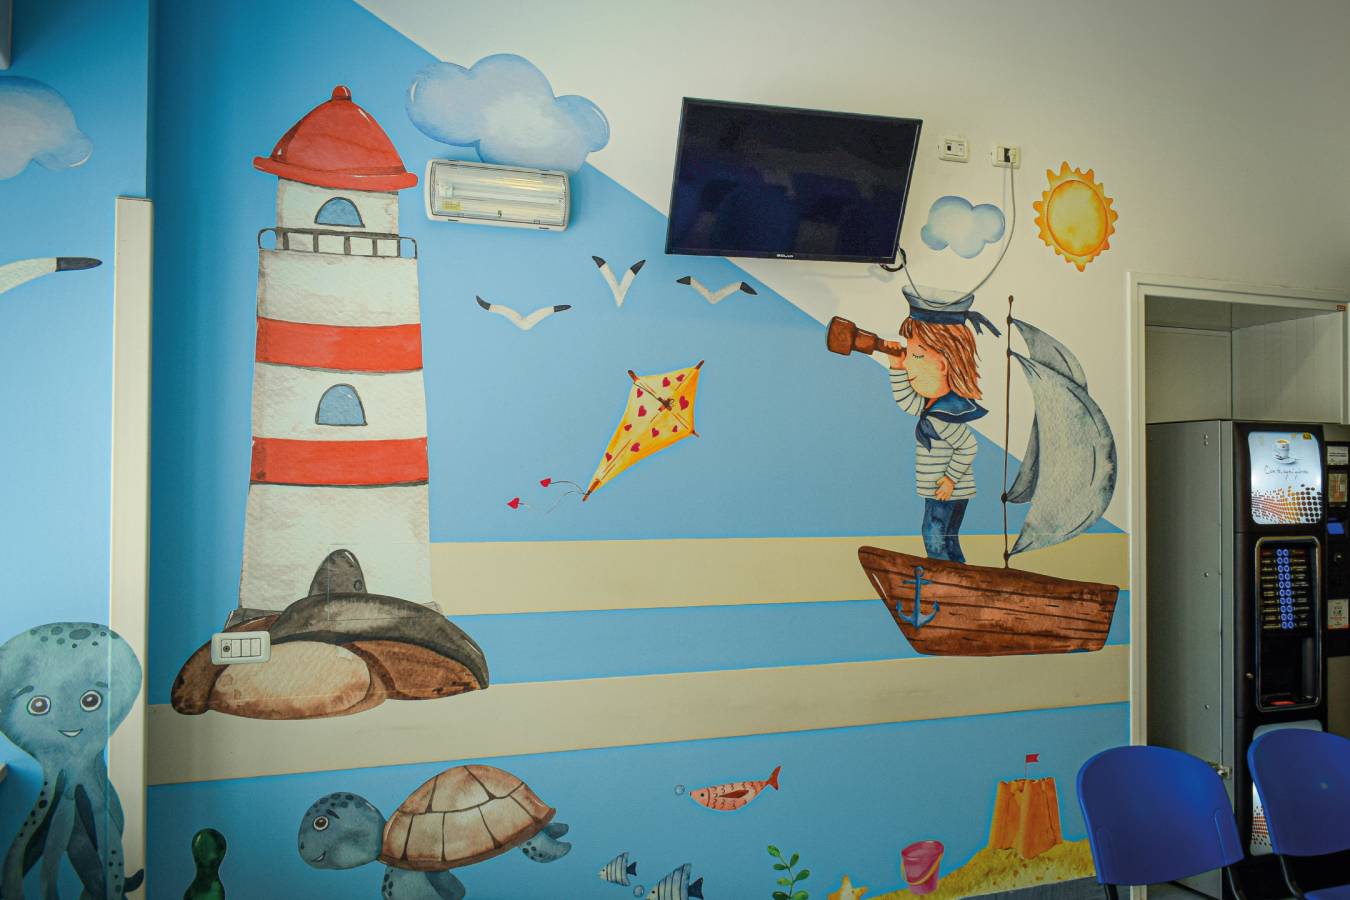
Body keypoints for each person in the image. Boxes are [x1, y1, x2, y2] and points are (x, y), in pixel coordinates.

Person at [881, 289, 997, 563]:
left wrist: (949, 480)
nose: (908, 362)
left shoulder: (944, 416)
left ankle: (942, 577)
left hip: (945, 491)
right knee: (947, 538)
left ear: (944, 365)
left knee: (934, 536)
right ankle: (958, 574)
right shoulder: (934, 406)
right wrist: (897, 367)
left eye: (916, 356)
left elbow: (968, 446)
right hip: (946, 490)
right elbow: (909, 405)